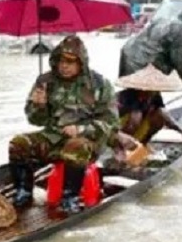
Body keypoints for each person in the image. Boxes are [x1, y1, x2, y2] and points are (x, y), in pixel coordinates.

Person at [8, 35, 119, 214]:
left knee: (75, 147)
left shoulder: (99, 84)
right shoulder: (45, 81)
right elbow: (35, 120)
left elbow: (112, 123)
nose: (64, 66)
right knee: (18, 144)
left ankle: (70, 196)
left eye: (70, 62)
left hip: (86, 142)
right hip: (53, 137)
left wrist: (81, 129)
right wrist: (38, 106)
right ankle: (23, 192)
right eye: (61, 60)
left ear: (80, 63)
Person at [118, 3, 182, 102]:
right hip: (141, 63)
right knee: (140, 100)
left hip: (129, 54)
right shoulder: (181, 31)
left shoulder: (167, 20)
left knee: (140, 97)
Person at [117, 88, 182, 145]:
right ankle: (122, 147)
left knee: (159, 116)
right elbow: (133, 119)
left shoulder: (154, 94)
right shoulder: (128, 94)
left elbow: (163, 113)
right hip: (118, 130)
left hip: (138, 130)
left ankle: (142, 144)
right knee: (136, 117)